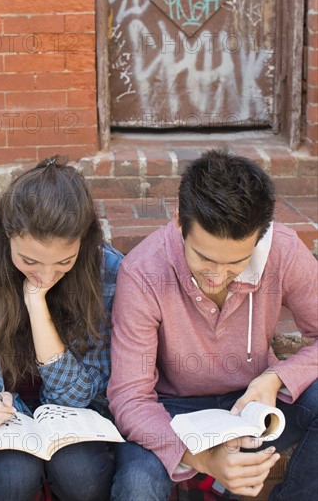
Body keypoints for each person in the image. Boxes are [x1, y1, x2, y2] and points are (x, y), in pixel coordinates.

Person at [107, 148, 318, 500]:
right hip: (172, 411)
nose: (217, 276)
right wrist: (205, 459)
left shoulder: (282, 250)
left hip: (255, 403)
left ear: (260, 235)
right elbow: (130, 398)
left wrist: (276, 377)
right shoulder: (143, 271)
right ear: (179, 222)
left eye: (236, 262)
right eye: (203, 257)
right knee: (136, 485)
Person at [0, 156, 122, 501]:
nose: (46, 275)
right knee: (13, 476)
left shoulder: (109, 272)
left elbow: (76, 397)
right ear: (6, 235)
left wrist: (37, 305)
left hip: (77, 414)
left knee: (81, 476)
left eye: (64, 262)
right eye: (29, 261)